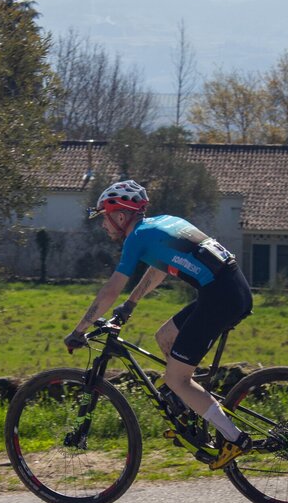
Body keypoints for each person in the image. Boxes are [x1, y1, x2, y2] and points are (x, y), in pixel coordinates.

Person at [63, 180, 254, 469]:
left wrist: (79, 330)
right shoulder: (164, 222)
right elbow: (159, 268)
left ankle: (234, 439)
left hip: (220, 297)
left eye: (105, 216)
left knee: (176, 379)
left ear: (120, 216)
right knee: (165, 336)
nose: (103, 224)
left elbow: (111, 290)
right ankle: (194, 412)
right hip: (228, 289)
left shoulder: (136, 237)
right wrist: (130, 305)